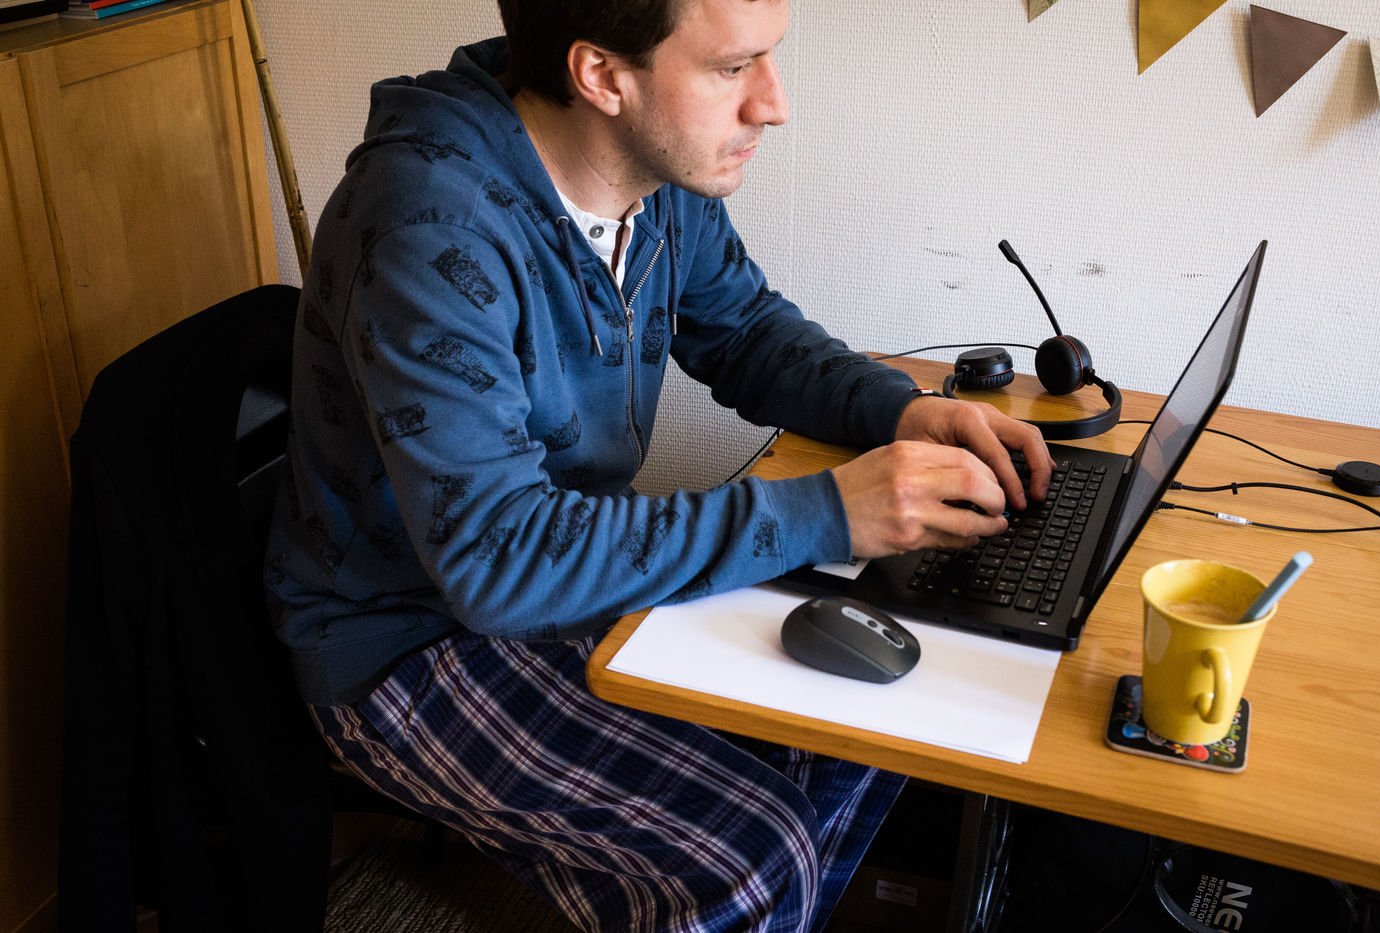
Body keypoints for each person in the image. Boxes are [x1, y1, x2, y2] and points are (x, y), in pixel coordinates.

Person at [265, 0, 1053, 929]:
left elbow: (746, 331)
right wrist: (832, 512)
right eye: (733, 68)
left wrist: (905, 411)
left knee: (881, 713)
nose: (774, 103)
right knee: (754, 860)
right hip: (406, 639)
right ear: (602, 76)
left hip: (560, 569)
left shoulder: (655, 173)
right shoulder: (430, 227)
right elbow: (498, 560)